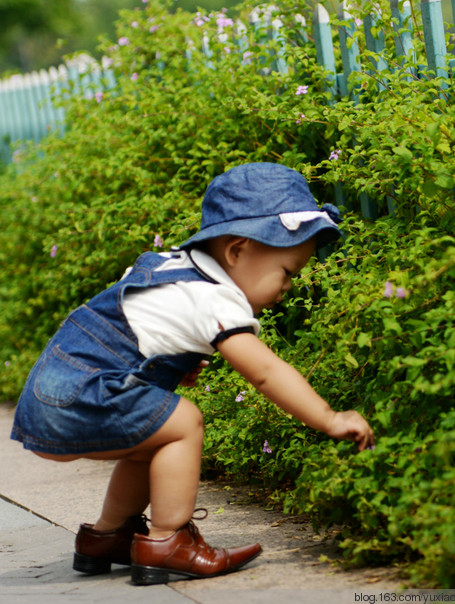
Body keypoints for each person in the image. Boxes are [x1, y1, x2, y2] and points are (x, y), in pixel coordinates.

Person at [11, 162, 374, 586]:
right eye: (287, 272)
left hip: (53, 393)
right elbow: (266, 372)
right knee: (185, 422)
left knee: (154, 438)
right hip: (78, 394)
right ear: (237, 251)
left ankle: (107, 536)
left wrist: (168, 361)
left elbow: (134, 325)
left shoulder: (172, 268)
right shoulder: (215, 299)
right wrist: (329, 418)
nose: (288, 287)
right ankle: (167, 543)